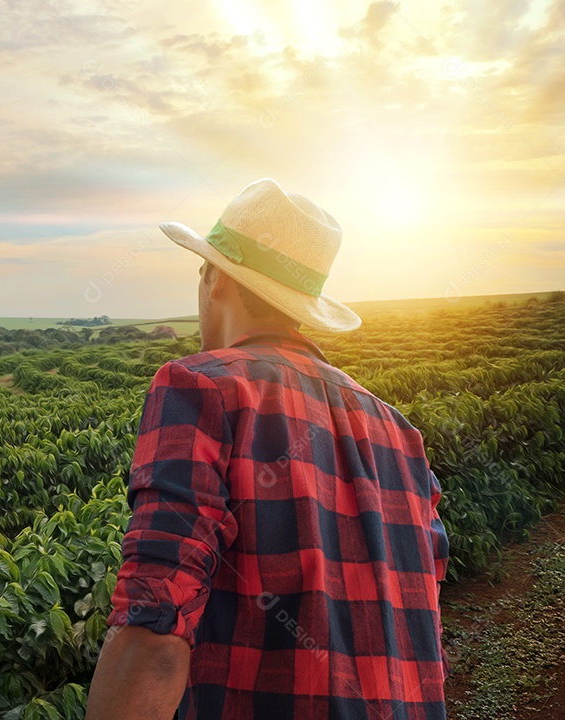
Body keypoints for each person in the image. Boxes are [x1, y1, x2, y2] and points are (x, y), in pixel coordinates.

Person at [85, 178, 450, 720]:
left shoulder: (200, 387)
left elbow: (155, 625)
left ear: (214, 279)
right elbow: (422, 613)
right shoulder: (399, 431)